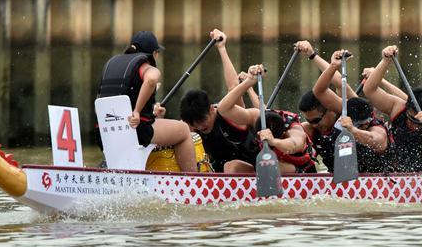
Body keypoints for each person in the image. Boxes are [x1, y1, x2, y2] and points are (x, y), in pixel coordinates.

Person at [97, 31, 196, 172]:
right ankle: (193, 182)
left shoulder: (111, 63)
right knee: (184, 131)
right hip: (134, 131)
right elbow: (151, 79)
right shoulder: (145, 65)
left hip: (105, 134)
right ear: (154, 53)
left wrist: (150, 112)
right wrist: (137, 111)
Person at [364, 45, 422, 173]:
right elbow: (369, 90)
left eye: (420, 122)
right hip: (395, 171)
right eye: (412, 118)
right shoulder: (398, 107)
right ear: (407, 108)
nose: (415, 125)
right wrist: (385, 61)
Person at [179, 29, 259, 173]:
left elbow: (234, 87)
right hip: (219, 174)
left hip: (252, 168)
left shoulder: (230, 113)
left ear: (211, 109)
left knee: (231, 166)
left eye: (201, 120)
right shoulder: (193, 123)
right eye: (194, 124)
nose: (199, 126)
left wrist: (221, 48)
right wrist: (158, 116)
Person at [216, 64, 316, 174]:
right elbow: (223, 109)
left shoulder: (294, 130)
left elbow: (292, 145)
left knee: (271, 165)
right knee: (231, 166)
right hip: (266, 164)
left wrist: (273, 141)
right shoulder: (259, 117)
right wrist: (249, 82)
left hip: (298, 170)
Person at [312, 50, 390, 173]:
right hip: (336, 169)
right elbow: (320, 90)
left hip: (372, 174)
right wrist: (331, 64)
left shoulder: (375, 126)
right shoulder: (344, 108)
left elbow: (378, 141)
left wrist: (353, 130)